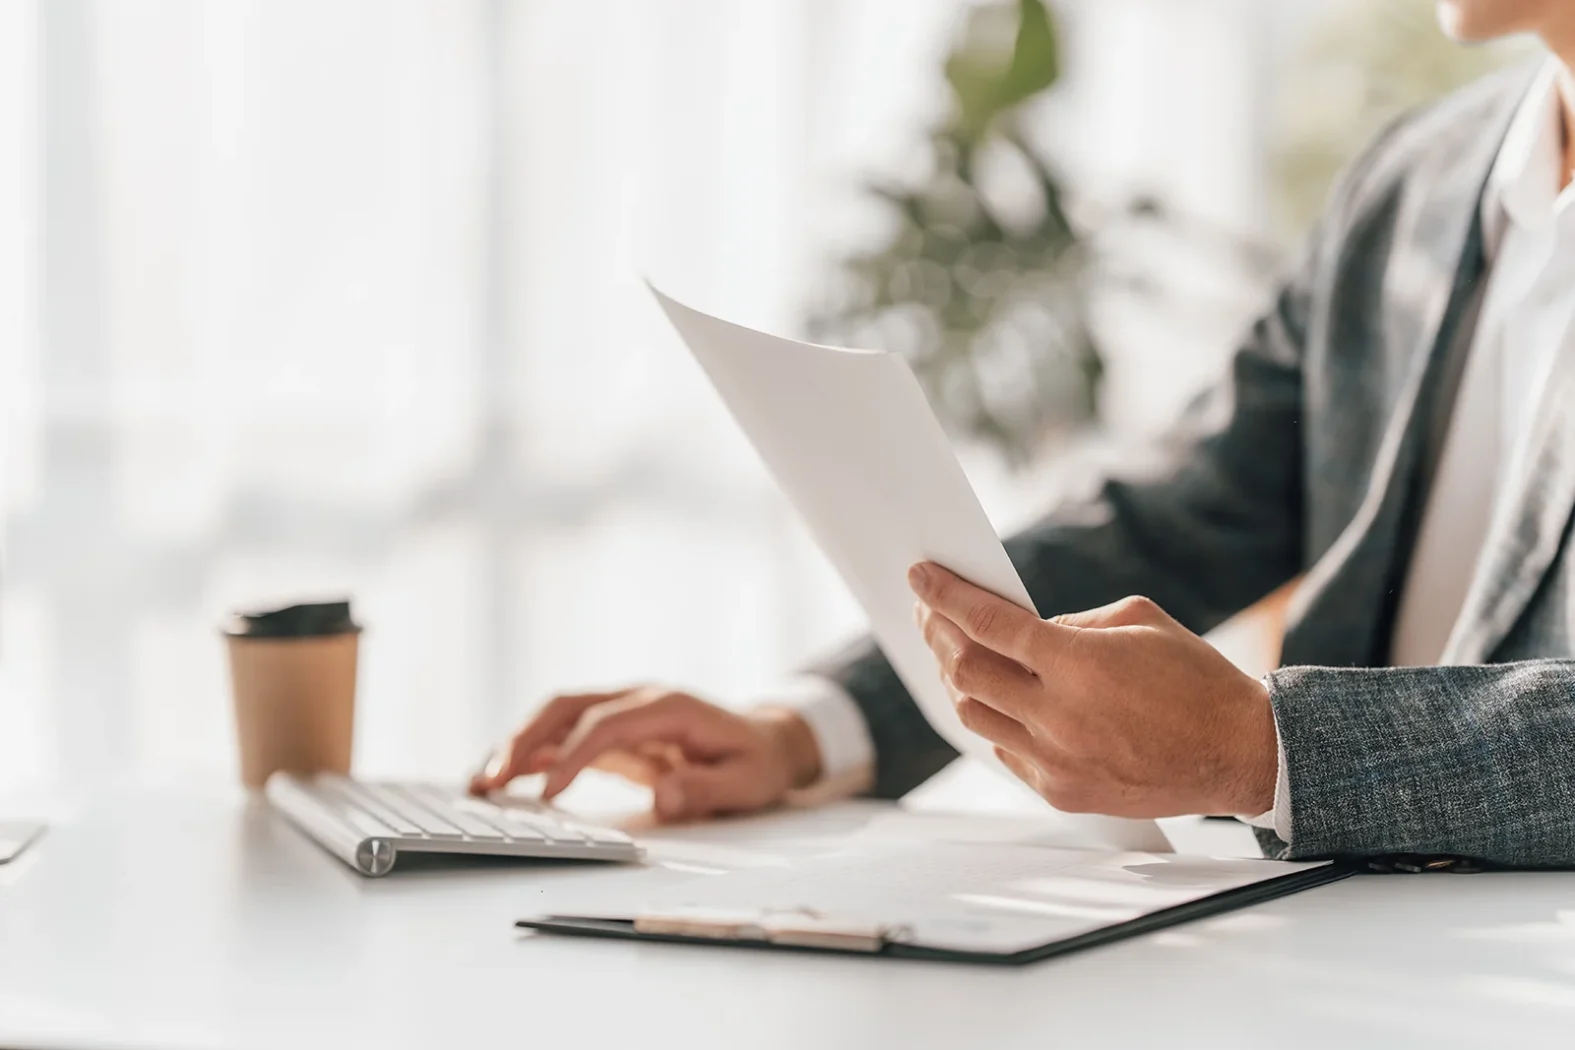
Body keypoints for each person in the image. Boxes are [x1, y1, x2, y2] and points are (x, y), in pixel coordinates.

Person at [473, 0, 1575, 866]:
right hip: (1335, 954)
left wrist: (1260, 749)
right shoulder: (1417, 181)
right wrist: (807, 731)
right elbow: (1187, 513)